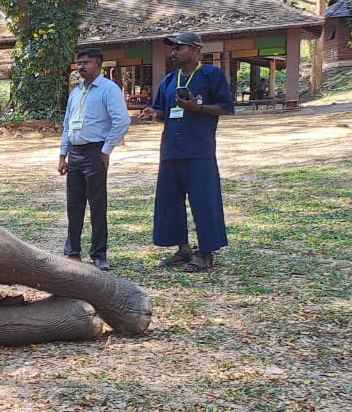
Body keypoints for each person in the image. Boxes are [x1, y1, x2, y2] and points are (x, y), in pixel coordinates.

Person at [140, 31, 234, 272]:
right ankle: (182, 249)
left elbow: (226, 108)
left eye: (178, 48)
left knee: (204, 201)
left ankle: (205, 252)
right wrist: (154, 114)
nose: (173, 53)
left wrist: (197, 107)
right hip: (171, 149)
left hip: (198, 149)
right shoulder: (170, 80)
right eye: (172, 49)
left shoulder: (211, 75)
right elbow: (162, 109)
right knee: (170, 201)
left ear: (194, 49)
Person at [58, 48, 130, 271]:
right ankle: (72, 251)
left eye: (86, 63)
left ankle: (99, 254)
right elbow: (67, 126)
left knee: (97, 205)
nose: (81, 67)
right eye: (79, 63)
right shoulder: (76, 93)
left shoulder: (108, 89)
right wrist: (63, 155)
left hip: (95, 152)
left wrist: (106, 150)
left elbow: (122, 120)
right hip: (76, 153)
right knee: (74, 204)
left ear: (98, 65)